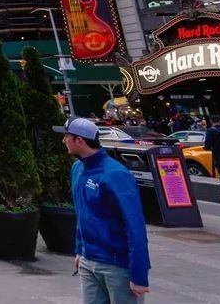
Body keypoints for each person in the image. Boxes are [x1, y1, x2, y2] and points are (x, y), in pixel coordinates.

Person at [55, 117, 150, 301]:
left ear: (79, 140)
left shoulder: (115, 175)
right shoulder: (77, 169)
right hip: (88, 260)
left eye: (66, 136)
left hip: (116, 264)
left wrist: (139, 274)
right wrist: (80, 249)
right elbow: (83, 214)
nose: (63, 140)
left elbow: (135, 226)